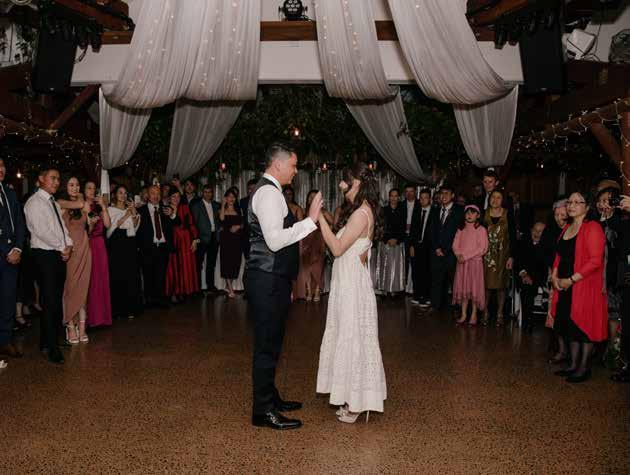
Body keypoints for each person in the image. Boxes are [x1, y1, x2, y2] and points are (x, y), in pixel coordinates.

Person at [247, 142, 322, 430]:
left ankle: (270, 397)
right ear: (277, 164)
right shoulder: (268, 194)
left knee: (273, 342)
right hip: (266, 279)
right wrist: (310, 221)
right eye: (293, 165)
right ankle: (262, 411)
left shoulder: (272, 192)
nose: (295, 170)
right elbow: (275, 241)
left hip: (273, 278)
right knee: (266, 346)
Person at [316, 161, 386, 423]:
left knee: (353, 337)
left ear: (359, 183)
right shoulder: (363, 211)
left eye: (346, 180)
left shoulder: (360, 214)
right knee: (350, 335)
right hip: (348, 282)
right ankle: (353, 398)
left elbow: (336, 248)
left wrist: (318, 217)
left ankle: (357, 404)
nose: (341, 185)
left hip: (351, 286)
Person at [550, 191, 607, 383]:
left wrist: (571, 280)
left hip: (584, 285)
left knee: (584, 328)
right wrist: (555, 276)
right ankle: (573, 365)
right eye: (570, 202)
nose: (572, 205)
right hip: (564, 285)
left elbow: (595, 261)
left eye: (577, 202)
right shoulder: (567, 227)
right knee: (570, 326)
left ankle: (583, 368)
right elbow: (558, 255)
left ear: (587, 207)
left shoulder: (593, 227)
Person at [24, 167, 73, 364]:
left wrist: (69, 244)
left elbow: (61, 228)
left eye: (58, 179)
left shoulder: (52, 202)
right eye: (52, 178)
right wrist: (63, 246)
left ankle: (49, 340)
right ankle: (51, 348)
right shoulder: (34, 203)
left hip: (57, 253)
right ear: (41, 179)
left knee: (55, 300)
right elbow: (42, 231)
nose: (56, 182)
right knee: (49, 301)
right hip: (44, 255)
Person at [59, 177, 93, 344]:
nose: (75, 187)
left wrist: (91, 219)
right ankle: (70, 326)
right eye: (71, 184)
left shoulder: (82, 204)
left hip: (85, 249)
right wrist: (82, 202)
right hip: (70, 251)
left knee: (83, 288)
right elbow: (64, 204)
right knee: (71, 288)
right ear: (65, 186)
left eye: (77, 184)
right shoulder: (60, 202)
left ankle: (82, 326)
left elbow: (89, 227)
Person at [0, 158, 26, 362]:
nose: (1, 169)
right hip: (3, 253)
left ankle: (5, 340)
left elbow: (19, 222)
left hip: (12, 256)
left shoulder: (9, 193)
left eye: (2, 165)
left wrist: (17, 247)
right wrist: (7, 250)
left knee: (8, 299)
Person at [137, 185, 179, 308]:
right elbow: (137, 230)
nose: (155, 196)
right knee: (148, 275)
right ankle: (149, 301)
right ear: (147, 195)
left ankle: (159, 300)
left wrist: (173, 214)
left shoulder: (166, 209)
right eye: (153, 193)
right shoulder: (141, 210)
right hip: (148, 248)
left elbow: (177, 222)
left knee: (161, 275)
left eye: (158, 193)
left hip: (163, 247)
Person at [595, 186, 623, 367]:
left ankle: (613, 350)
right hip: (593, 275)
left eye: (607, 201)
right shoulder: (592, 221)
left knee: (612, 313)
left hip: (611, 275)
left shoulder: (619, 222)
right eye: (600, 200)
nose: (603, 204)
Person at [481, 189, 516, 327]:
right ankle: (485, 312)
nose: (495, 200)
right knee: (486, 286)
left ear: (503, 200)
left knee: (501, 286)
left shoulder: (508, 214)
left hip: (503, 256)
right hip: (485, 256)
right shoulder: (483, 214)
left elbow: (513, 237)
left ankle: (500, 314)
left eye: (498, 197)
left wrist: (511, 257)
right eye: (493, 197)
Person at [107, 185, 141, 320]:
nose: (123, 195)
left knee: (131, 275)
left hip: (129, 243)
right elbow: (115, 225)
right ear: (115, 195)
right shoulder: (110, 210)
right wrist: (127, 214)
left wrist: (133, 212)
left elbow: (135, 226)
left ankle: (131, 308)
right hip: (117, 244)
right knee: (118, 275)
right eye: (120, 192)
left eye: (125, 193)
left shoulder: (130, 209)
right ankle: (118, 310)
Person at [543, 199, 570, 364]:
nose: (559, 218)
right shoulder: (550, 230)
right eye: (556, 215)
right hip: (554, 277)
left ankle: (572, 351)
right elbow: (544, 253)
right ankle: (561, 349)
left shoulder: (574, 229)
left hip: (571, 278)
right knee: (555, 312)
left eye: (562, 214)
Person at [429, 184, 464, 311]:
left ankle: (458, 307)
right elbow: (431, 231)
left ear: (452, 195)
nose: (443, 196)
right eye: (442, 193)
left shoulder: (459, 211)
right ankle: (436, 305)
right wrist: (436, 247)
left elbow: (460, 233)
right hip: (436, 251)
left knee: (454, 280)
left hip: (452, 252)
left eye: (446, 193)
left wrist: (448, 249)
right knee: (436, 279)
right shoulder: (435, 210)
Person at [452, 205, 488, 326]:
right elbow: (455, 244)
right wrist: (458, 255)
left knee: (474, 289)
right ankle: (463, 314)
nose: (469, 215)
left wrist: (466, 256)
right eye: (467, 213)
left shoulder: (481, 230)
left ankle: (473, 314)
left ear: (478, 215)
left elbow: (482, 248)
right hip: (462, 264)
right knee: (464, 289)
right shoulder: (461, 229)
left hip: (474, 263)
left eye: (472, 213)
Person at [84, 181, 112, 328]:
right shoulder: (81, 206)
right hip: (87, 245)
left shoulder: (98, 207)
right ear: (83, 190)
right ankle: (89, 318)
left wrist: (103, 206)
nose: (92, 190)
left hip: (100, 245)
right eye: (89, 188)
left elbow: (108, 225)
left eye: (94, 188)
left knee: (101, 279)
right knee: (89, 281)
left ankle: (102, 317)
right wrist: (91, 224)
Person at [296, 190, 332, 302]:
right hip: (306, 241)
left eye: (314, 197)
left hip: (319, 241)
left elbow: (333, 223)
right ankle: (308, 290)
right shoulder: (303, 211)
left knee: (318, 266)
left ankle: (317, 290)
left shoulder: (324, 212)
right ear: (307, 199)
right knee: (306, 266)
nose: (312, 199)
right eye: (310, 197)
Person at [165, 190, 199, 302]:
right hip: (173, 240)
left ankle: (186, 291)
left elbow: (191, 224)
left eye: (178, 196)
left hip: (186, 239)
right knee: (174, 266)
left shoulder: (185, 207)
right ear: (169, 198)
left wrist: (195, 239)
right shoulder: (165, 208)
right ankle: (175, 292)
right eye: (173, 196)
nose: (176, 199)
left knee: (186, 266)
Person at [516, 222, 547, 332]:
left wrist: (533, 278)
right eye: (535, 230)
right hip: (524, 275)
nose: (537, 233)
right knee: (526, 288)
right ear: (531, 230)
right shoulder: (523, 242)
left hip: (540, 276)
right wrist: (524, 274)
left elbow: (544, 267)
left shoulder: (547, 246)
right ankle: (527, 321)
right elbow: (518, 261)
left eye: (540, 231)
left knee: (531, 286)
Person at [190, 185, 220, 293]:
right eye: (205, 192)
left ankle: (210, 285)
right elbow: (194, 223)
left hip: (214, 237)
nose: (207, 194)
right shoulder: (196, 206)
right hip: (201, 238)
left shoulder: (216, 205)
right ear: (202, 193)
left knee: (211, 264)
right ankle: (197, 288)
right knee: (198, 264)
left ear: (212, 193)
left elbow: (220, 220)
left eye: (209, 192)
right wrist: (196, 238)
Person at [376, 188, 406, 296]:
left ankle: (395, 290)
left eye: (395, 196)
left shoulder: (402, 210)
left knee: (396, 267)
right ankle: (384, 290)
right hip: (385, 242)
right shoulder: (383, 210)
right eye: (391, 196)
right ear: (389, 197)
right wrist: (387, 239)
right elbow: (380, 227)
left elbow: (403, 227)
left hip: (397, 242)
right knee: (385, 266)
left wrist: (396, 239)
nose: (393, 198)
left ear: (399, 197)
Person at [409, 188, 434, 307]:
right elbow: (412, 230)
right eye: (421, 198)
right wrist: (411, 245)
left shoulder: (434, 212)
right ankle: (417, 295)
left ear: (430, 199)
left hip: (428, 248)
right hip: (416, 246)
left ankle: (426, 297)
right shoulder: (416, 211)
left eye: (426, 198)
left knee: (426, 273)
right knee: (416, 272)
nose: (423, 200)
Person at [219, 189, 243, 298]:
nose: (231, 198)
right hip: (226, 240)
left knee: (235, 263)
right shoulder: (222, 210)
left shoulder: (238, 210)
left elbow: (243, 224)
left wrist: (238, 226)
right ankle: (231, 289)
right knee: (227, 263)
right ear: (226, 198)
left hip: (237, 240)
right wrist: (223, 204)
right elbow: (221, 219)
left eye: (233, 196)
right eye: (229, 196)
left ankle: (227, 286)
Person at [403, 184, 421, 291]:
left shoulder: (420, 204)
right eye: (407, 191)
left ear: (415, 192)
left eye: (411, 191)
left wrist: (414, 243)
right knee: (403, 264)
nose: (409, 194)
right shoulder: (401, 205)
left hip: (415, 238)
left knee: (415, 264)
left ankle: (416, 289)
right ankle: (403, 288)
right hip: (404, 237)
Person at [240, 179, 257, 260]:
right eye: (250, 189)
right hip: (245, 234)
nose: (251, 191)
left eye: (254, 189)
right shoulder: (242, 201)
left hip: (258, 234)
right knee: (247, 257)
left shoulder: (262, 200)